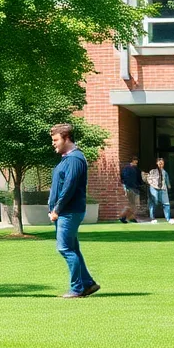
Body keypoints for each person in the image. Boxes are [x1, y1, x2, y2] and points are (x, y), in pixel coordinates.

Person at [48, 124, 100, 298]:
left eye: (56, 140)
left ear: (67, 138)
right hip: (66, 212)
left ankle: (76, 288)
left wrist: (57, 209)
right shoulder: (67, 158)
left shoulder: (74, 159)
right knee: (73, 249)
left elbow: (69, 187)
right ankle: (88, 284)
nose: (53, 143)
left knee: (65, 248)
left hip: (68, 212)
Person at [147, 158, 174, 224]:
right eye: (159, 163)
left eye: (162, 163)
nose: (161, 164)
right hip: (154, 188)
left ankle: (168, 219)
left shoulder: (165, 172)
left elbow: (167, 180)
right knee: (154, 202)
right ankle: (152, 218)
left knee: (166, 203)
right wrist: (152, 184)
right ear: (157, 163)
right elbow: (148, 178)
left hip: (163, 188)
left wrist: (168, 186)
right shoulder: (153, 171)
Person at [119, 155, 143, 224]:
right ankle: (123, 217)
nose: (136, 163)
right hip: (131, 188)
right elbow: (124, 178)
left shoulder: (133, 169)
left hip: (133, 188)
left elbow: (123, 178)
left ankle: (131, 217)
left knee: (134, 205)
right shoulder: (130, 169)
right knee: (133, 205)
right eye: (135, 161)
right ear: (133, 161)